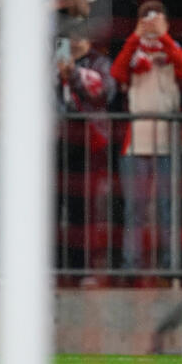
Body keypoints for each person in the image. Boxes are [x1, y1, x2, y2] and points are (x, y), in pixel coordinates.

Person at [110, 0, 182, 275]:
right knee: (135, 207)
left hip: (168, 140)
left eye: (157, 20)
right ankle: (131, 264)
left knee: (168, 206)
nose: (151, 24)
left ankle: (170, 264)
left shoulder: (174, 47)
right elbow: (117, 73)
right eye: (146, 19)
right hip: (136, 141)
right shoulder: (133, 50)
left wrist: (163, 37)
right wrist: (135, 37)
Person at [55, 22, 116, 287]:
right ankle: (56, 269)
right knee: (54, 207)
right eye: (71, 38)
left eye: (81, 37)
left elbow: (105, 92)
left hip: (89, 142)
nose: (76, 42)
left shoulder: (99, 63)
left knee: (84, 208)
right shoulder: (51, 64)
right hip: (57, 141)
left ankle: (83, 269)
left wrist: (75, 75)